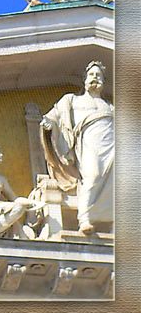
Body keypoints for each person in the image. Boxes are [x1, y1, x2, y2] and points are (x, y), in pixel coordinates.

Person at [40, 61, 114, 234]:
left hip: (111, 145)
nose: (95, 78)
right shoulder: (72, 100)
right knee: (93, 175)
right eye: (91, 74)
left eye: (99, 75)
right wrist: (48, 123)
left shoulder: (110, 107)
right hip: (88, 144)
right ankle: (84, 219)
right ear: (84, 79)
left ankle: (114, 222)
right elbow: (54, 115)